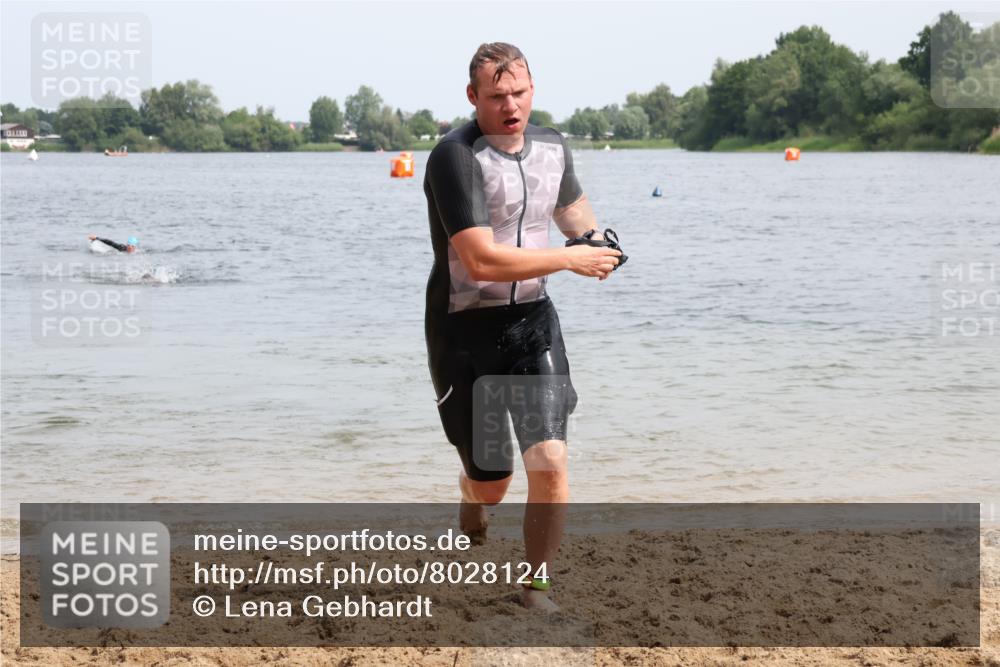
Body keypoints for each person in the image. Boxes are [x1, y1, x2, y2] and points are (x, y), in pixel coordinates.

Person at [423, 42, 621, 612]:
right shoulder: (454, 157)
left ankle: (537, 589)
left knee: (550, 460)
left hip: (533, 322)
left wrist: (597, 243)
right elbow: (481, 261)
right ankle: (471, 493)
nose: (510, 106)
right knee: (493, 483)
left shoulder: (552, 145)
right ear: (472, 96)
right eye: (496, 96)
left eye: (519, 93)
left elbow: (574, 214)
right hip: (465, 331)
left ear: (533, 89)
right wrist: (569, 259)